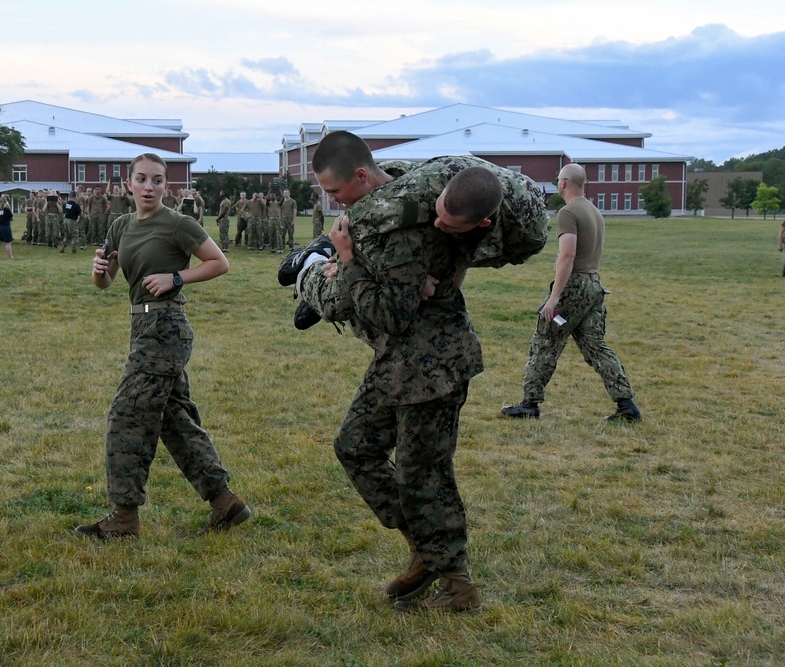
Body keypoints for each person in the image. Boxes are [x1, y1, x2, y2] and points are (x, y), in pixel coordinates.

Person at [281, 131, 548, 613]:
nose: (332, 201)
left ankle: (457, 584)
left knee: (424, 474)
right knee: (356, 447)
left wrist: (345, 262)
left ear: (361, 175)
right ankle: (425, 551)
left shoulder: (400, 226)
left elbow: (391, 313)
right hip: (400, 364)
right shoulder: (402, 197)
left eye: (335, 192)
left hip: (434, 366)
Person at [76, 152, 250, 539]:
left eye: (156, 180)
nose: (149, 187)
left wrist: (177, 277)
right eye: (141, 179)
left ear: (166, 186)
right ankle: (225, 502)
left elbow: (219, 263)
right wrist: (98, 273)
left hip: (166, 327)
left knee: (127, 416)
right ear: (129, 184)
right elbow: (106, 283)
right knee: (173, 420)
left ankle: (123, 519)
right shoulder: (120, 225)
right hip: (140, 324)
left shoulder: (177, 224)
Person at [501, 163, 641, 423]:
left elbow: (567, 255)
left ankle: (529, 403)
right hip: (594, 286)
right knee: (596, 347)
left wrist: (554, 298)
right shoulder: (595, 212)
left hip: (573, 288)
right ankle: (627, 405)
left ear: (563, 183)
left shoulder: (568, 212)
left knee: (545, 342)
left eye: (558, 180)